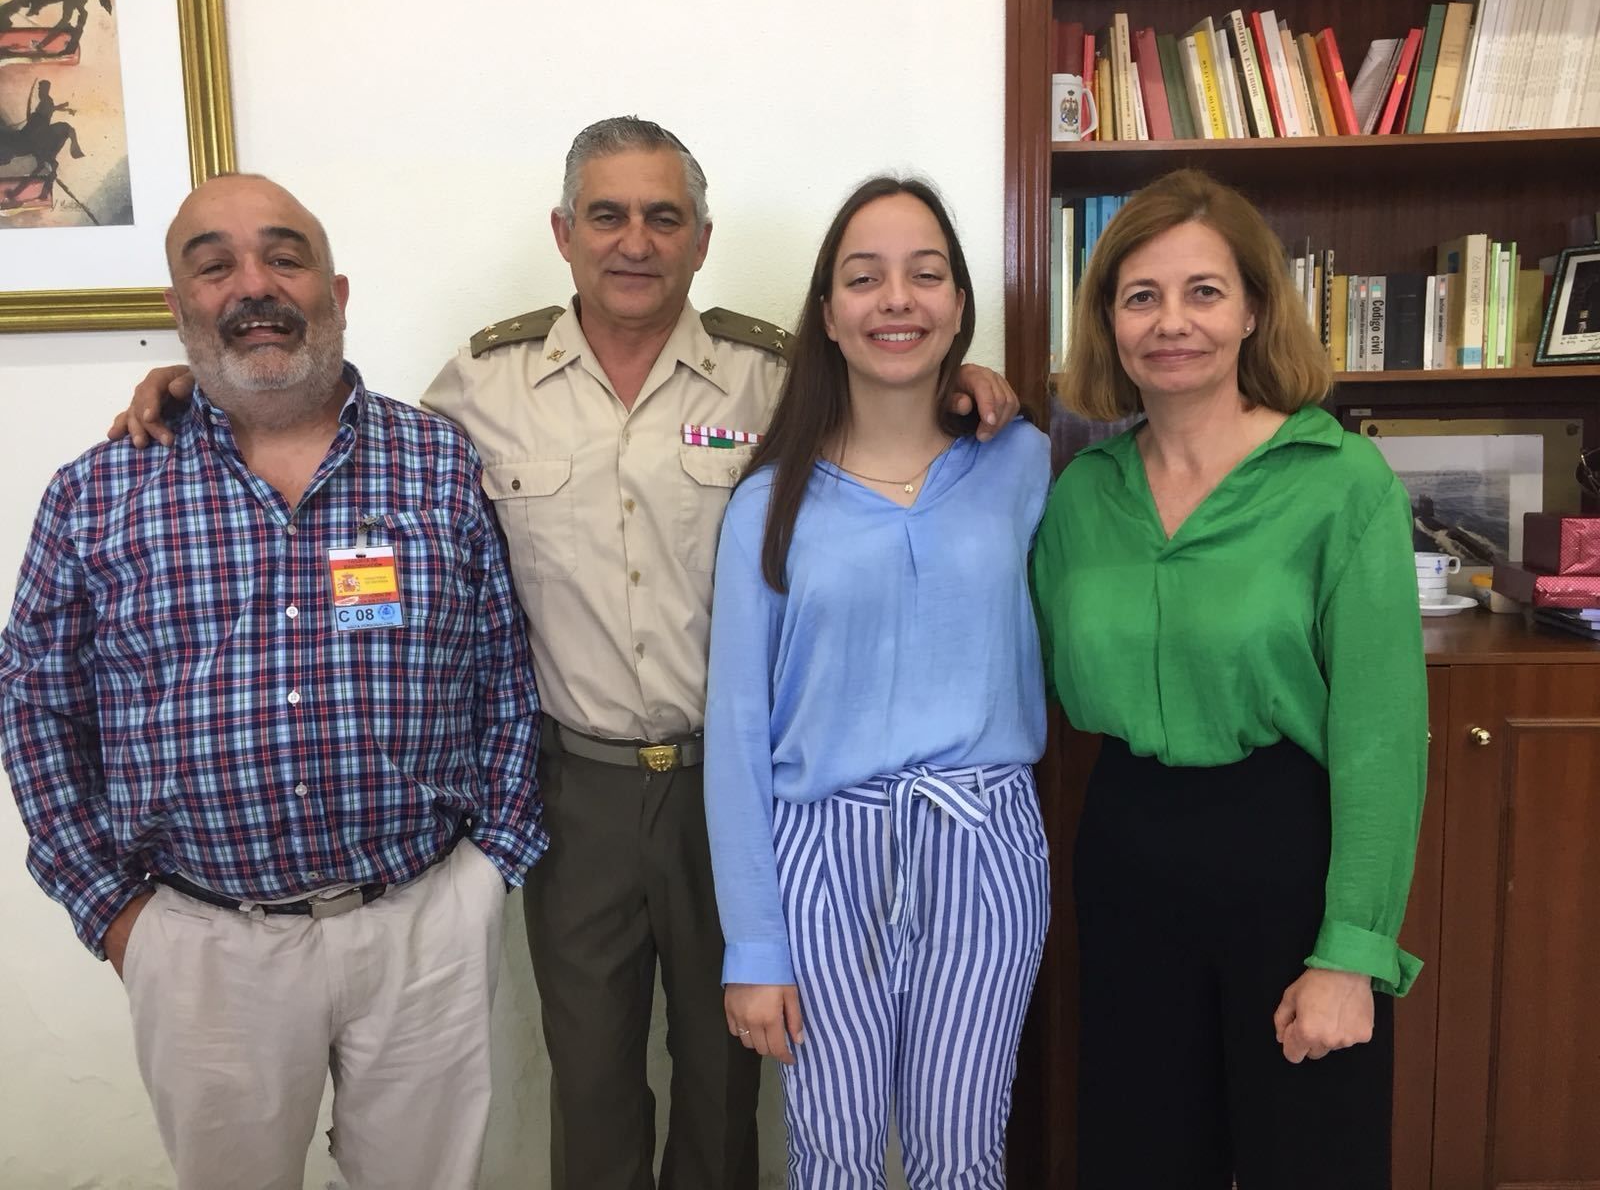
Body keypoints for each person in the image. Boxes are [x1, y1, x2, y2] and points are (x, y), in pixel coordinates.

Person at [107, 117, 1021, 1190]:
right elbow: (345, 440)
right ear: (564, 232)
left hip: (743, 790)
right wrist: (190, 392)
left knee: (733, 1073)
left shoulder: (768, 379)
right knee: (587, 1077)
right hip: (574, 784)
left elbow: (886, 429)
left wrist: (968, 387)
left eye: (662, 217)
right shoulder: (482, 387)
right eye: (607, 215)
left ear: (700, 239)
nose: (634, 241)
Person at [1, 173, 545, 1190]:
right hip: (206, 945)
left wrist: (489, 868)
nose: (254, 286)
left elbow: (506, 673)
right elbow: (33, 706)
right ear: (179, 308)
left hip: (422, 921)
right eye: (215, 265)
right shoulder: (96, 492)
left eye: (284, 257)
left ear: (335, 288)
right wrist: (115, 914)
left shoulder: (435, 461)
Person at [1031, 168, 1427, 1189]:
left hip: (1285, 851)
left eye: (1203, 292)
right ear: (1107, 320)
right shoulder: (1082, 494)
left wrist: (1350, 951)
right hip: (1123, 846)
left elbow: (1381, 736)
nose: (1173, 323)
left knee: (1310, 1154)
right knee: (1138, 1156)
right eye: (1140, 295)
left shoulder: (1339, 483)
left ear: (1253, 307)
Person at [705, 176, 1051, 1189]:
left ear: (957, 308)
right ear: (827, 315)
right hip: (819, 850)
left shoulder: (1022, 464)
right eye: (865, 279)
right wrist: (754, 944)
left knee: (961, 1150)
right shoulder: (767, 502)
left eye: (925, 275)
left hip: (984, 844)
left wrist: (998, 392)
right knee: (834, 1153)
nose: (896, 299)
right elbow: (733, 733)